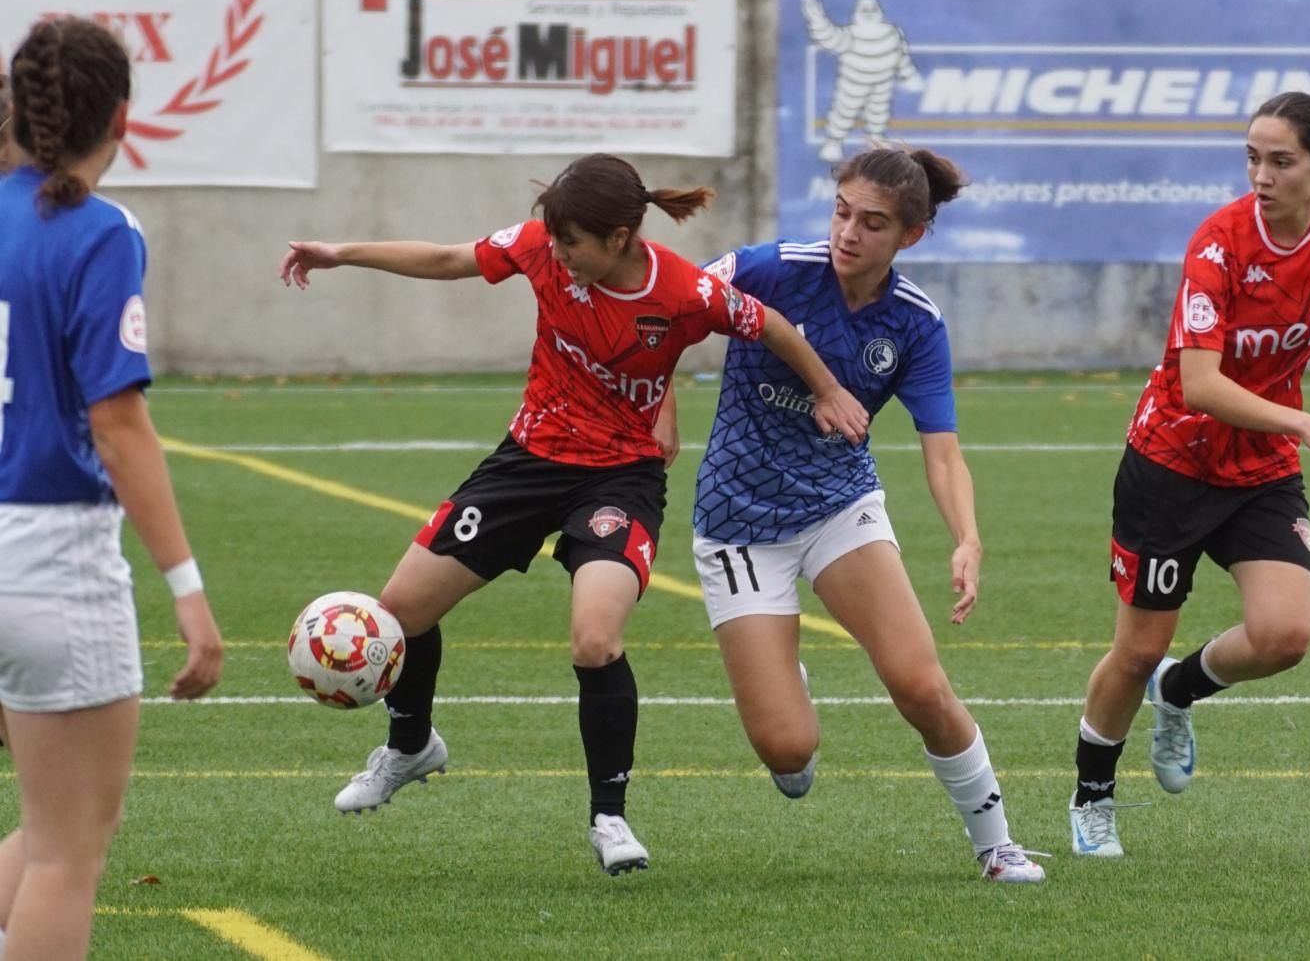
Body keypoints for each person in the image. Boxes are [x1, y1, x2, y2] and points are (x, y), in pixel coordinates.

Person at [277, 154, 868, 876]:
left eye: (572, 244)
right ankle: (410, 746)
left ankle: (609, 816)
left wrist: (828, 389)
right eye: (553, 240)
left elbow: (771, 323)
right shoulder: (540, 246)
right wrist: (339, 253)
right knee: (400, 612)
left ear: (619, 237)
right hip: (527, 463)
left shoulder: (683, 291)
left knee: (594, 638)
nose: (556, 254)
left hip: (620, 480)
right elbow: (445, 257)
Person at [1068, 91, 1310, 858]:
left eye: (1281, 160)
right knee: (1134, 650)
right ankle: (1093, 792)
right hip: (1173, 462)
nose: (1261, 175)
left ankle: (1181, 689)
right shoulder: (1218, 247)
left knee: (1284, 634)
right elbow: (1200, 385)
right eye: (1252, 158)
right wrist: (1308, 422)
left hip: (1259, 467)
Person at [671, 146, 1047, 883]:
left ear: (911, 235)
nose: (848, 233)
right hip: (737, 519)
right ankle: (785, 685)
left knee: (920, 683)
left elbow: (942, 452)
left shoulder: (914, 324)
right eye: (843, 212)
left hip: (840, 507)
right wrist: (658, 401)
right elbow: (670, 308)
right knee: (787, 749)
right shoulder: (768, 267)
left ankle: (998, 844)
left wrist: (967, 536)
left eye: (872, 223)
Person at [0, 16, 224, 961]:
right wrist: (190, 592)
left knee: (48, 828)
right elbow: (117, 422)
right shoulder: (98, 230)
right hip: (48, 557)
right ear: (123, 115)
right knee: (67, 851)